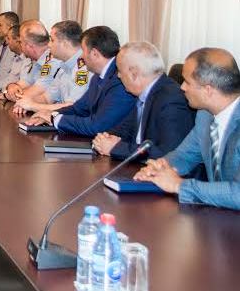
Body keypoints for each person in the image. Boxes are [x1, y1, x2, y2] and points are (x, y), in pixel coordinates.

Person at [135, 48, 240, 210]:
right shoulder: (205, 115)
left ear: (208, 90)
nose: (182, 87)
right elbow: (185, 155)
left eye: (187, 82)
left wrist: (179, 185)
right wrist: (160, 168)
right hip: (218, 214)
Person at [93, 42, 194, 160]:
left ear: (134, 74)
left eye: (119, 71)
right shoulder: (144, 94)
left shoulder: (171, 100)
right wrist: (104, 139)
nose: (118, 76)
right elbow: (125, 129)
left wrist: (115, 148)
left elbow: (168, 153)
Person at [27, 26, 135, 136]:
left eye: (83, 51)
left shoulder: (120, 79)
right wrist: (49, 114)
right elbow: (79, 108)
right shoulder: (98, 76)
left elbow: (97, 126)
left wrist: (54, 119)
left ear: (94, 53)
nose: (81, 56)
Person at [12, 21, 91, 115]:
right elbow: (46, 98)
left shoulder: (84, 69)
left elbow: (72, 108)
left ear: (64, 43)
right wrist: (24, 102)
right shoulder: (64, 67)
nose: (49, 45)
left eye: (52, 40)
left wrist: (33, 106)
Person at [2, 20, 61, 101]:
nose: (20, 45)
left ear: (29, 46)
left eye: (21, 42)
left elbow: (35, 92)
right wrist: (11, 86)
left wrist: (8, 95)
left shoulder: (53, 61)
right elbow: (24, 83)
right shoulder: (36, 61)